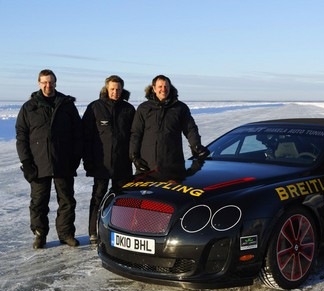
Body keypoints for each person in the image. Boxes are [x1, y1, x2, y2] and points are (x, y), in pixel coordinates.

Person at [16, 69, 83, 249]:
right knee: (38, 202)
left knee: (67, 200)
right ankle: (40, 234)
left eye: (51, 82)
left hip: (63, 161)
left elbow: (78, 133)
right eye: (44, 82)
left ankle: (66, 233)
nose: (48, 85)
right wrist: (26, 162)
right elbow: (21, 137)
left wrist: (75, 158)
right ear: (39, 83)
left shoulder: (66, 105)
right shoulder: (29, 107)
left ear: (55, 83)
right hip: (38, 163)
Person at [82, 75, 135, 244]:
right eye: (112, 89)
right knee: (98, 196)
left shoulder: (128, 109)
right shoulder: (95, 108)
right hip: (101, 163)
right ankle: (94, 231)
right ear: (106, 89)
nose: (115, 92)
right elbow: (85, 136)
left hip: (122, 163)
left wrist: (133, 156)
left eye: (118, 89)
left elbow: (135, 136)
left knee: (122, 198)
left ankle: (122, 230)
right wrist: (87, 160)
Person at [129, 75, 209, 179]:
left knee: (171, 195)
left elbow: (190, 129)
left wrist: (196, 145)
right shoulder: (144, 108)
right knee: (145, 195)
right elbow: (136, 133)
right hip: (147, 166)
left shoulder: (180, 108)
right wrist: (134, 157)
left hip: (173, 165)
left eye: (166, 86)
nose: (163, 89)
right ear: (153, 88)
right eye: (160, 86)